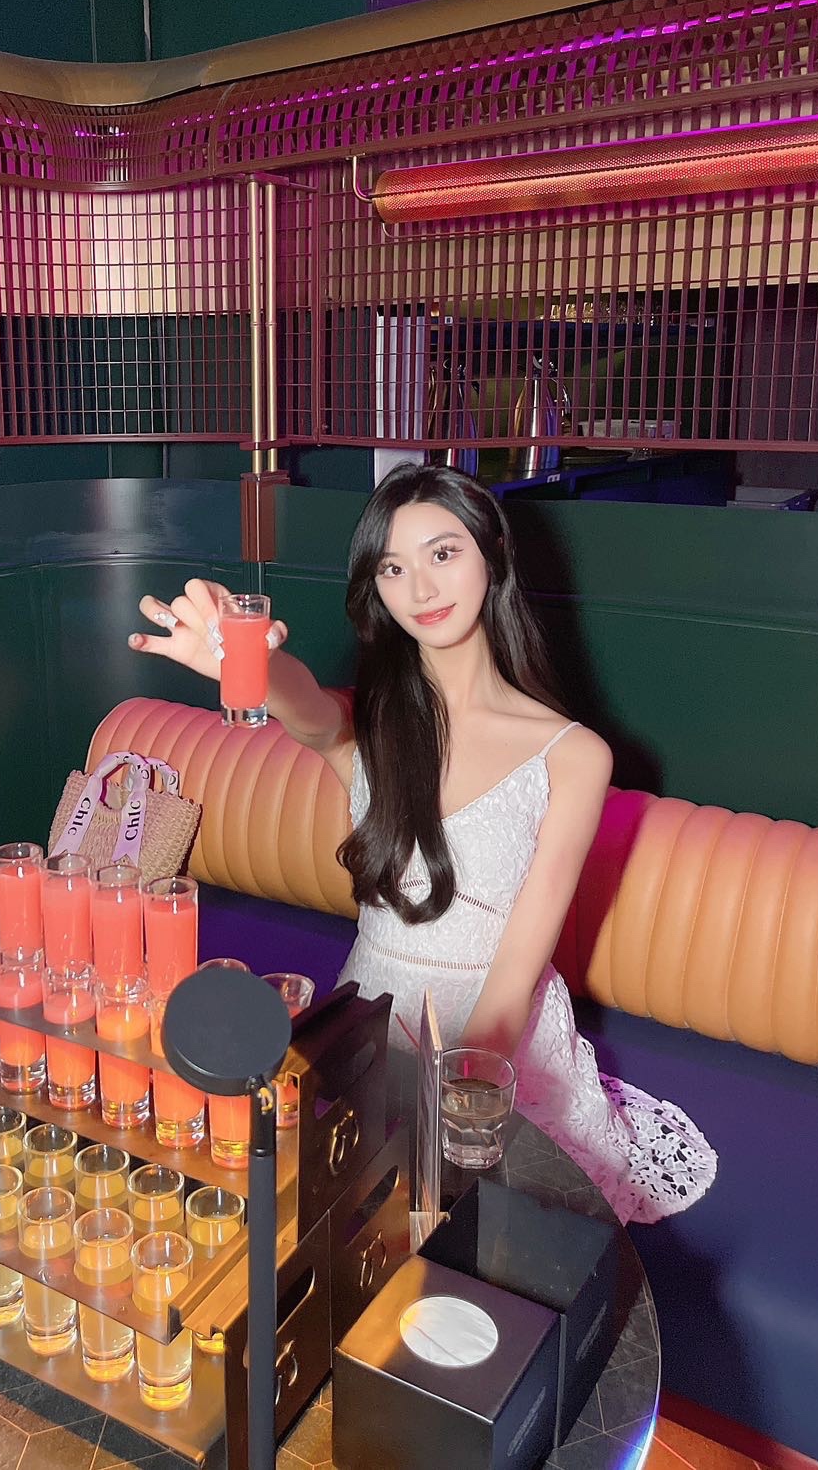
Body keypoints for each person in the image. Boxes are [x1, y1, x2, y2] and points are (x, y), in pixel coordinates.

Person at [129, 462, 716, 1224]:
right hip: (370, 1009)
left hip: (495, 1035)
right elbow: (306, 709)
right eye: (393, 568)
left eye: (443, 553)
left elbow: (518, 968)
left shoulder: (574, 755)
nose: (421, 588)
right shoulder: (370, 723)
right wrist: (248, 663)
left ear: (492, 554)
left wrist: (454, 1094)